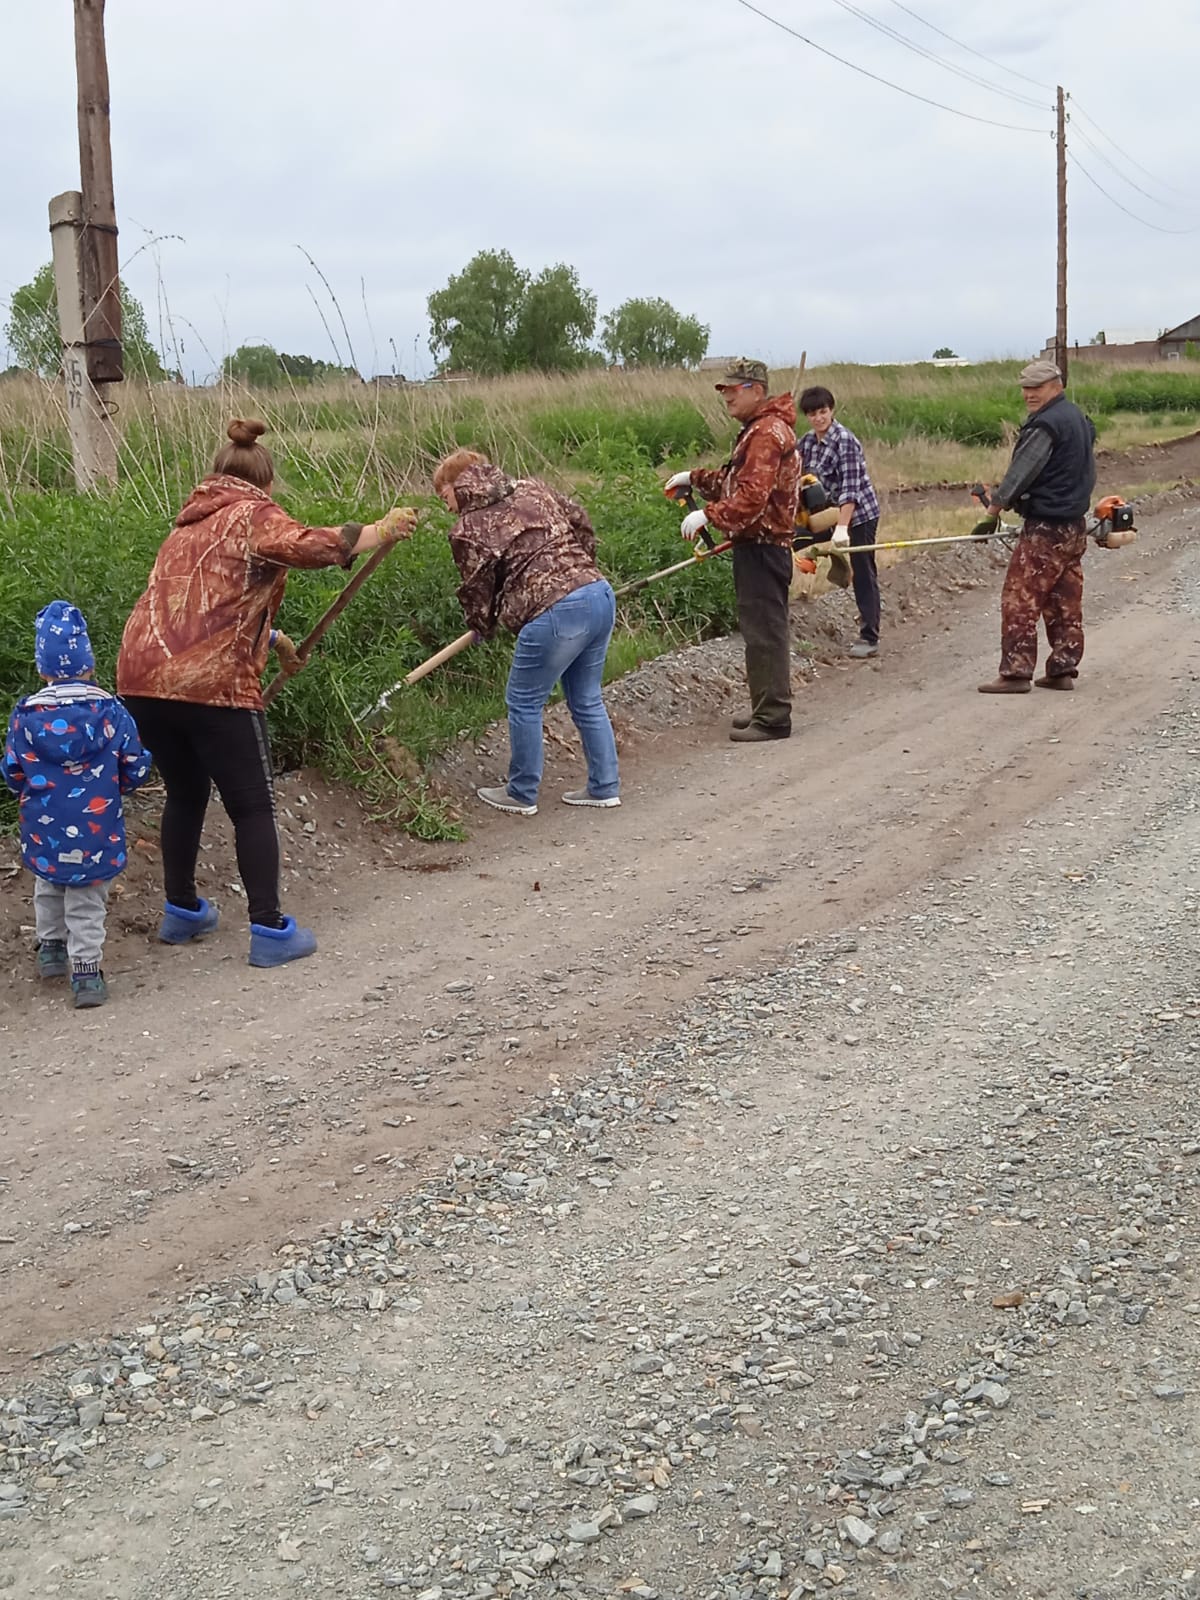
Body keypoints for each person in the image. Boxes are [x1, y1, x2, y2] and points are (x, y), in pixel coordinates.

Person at [117, 419, 416, 966]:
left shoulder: (184, 527)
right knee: (253, 804)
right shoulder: (253, 512)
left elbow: (199, 608)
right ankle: (270, 930)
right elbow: (302, 546)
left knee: (186, 793)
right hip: (213, 684)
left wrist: (274, 639)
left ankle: (182, 911)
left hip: (141, 680)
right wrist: (375, 531)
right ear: (267, 482)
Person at [434, 448, 620, 816]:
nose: (446, 507)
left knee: (524, 700)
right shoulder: (532, 488)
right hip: (598, 593)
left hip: (554, 611)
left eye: (444, 496)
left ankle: (521, 792)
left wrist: (481, 626)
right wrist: (580, 569)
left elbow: (476, 588)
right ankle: (604, 787)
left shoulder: (468, 528)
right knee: (586, 698)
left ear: (460, 485)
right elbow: (581, 521)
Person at [4, 601, 152, 1009]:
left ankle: (51, 949)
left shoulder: (25, 715)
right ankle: (85, 973)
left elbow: (12, 770)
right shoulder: (111, 712)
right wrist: (118, 785)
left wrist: (28, 788)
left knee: (48, 883)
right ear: (89, 664)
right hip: (95, 825)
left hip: (42, 824)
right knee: (87, 897)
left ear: (42, 669)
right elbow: (136, 765)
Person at [667, 358, 801, 741]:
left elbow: (753, 497)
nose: (725, 396)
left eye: (732, 389)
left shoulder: (765, 434)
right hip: (756, 545)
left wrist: (708, 515)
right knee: (758, 629)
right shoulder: (757, 430)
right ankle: (764, 706)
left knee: (766, 632)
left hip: (764, 545)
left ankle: (773, 718)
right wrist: (695, 478)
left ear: (755, 390)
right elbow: (734, 480)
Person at [977, 360, 1097, 694]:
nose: (1029, 394)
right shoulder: (1079, 418)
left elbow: (1020, 474)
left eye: (1037, 387)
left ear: (1056, 386)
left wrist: (993, 509)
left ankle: (1016, 673)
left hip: (1047, 527)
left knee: (1020, 598)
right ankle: (1062, 668)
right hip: (1075, 526)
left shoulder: (1046, 425)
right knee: (1064, 601)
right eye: (1026, 387)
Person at [796, 385, 883, 659]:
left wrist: (843, 529)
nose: (818, 418)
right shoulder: (806, 443)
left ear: (831, 411)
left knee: (862, 570)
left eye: (822, 412)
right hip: (827, 512)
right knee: (793, 538)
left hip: (859, 515)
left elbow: (851, 489)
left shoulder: (845, 440)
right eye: (812, 414)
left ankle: (869, 636)